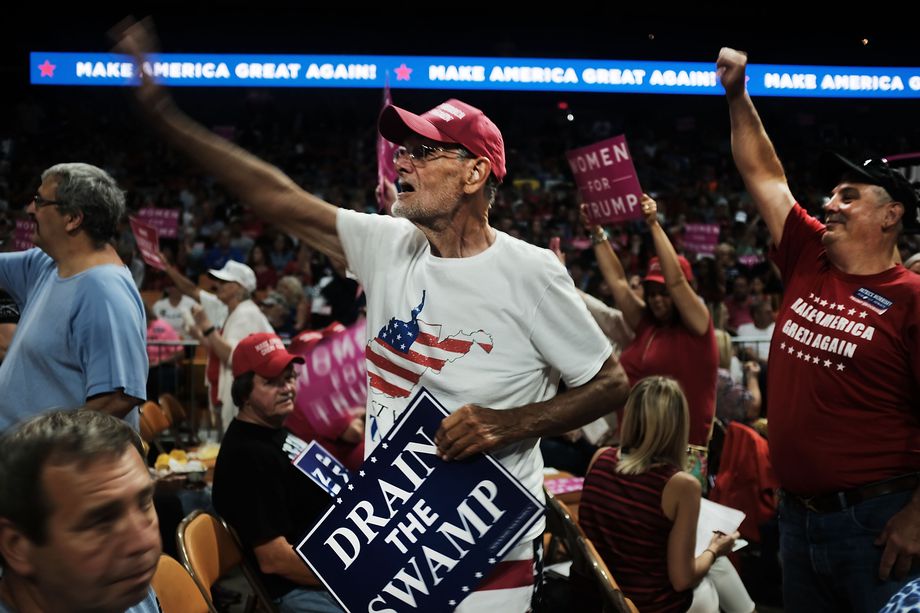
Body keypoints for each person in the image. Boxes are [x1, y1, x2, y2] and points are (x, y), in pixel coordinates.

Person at [114, 19, 628, 611]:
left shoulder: (531, 271)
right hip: (390, 538)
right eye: (402, 150)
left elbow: (610, 382)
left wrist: (510, 424)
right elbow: (278, 198)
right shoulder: (388, 244)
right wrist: (167, 119)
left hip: (487, 553)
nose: (402, 161)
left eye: (423, 151)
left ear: (475, 172)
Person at [718, 47, 920, 610]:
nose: (829, 203)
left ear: (891, 215)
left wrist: (918, 518)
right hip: (797, 520)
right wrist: (737, 95)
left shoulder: (911, 299)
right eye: (831, 193)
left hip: (877, 526)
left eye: (848, 196)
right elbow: (764, 173)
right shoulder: (810, 256)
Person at [579, 376, 754, 613]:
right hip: (648, 605)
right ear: (679, 424)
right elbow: (682, 579)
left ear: (630, 416)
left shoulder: (600, 458)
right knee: (717, 564)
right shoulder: (681, 485)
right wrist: (715, 550)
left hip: (600, 593)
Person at [0, 163, 148, 433]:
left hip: (52, 467)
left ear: (72, 218)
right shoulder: (46, 264)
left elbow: (117, 398)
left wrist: (41, 452)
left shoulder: (103, 290)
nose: (30, 209)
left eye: (39, 201)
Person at [212, 333, 341, 612]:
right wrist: (352, 578)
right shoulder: (246, 456)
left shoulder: (274, 427)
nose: (287, 388)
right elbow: (275, 559)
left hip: (333, 562)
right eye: (271, 382)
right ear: (244, 393)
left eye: (289, 377)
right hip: (302, 588)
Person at [586, 196, 718, 451]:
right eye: (652, 292)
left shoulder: (699, 327)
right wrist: (596, 231)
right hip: (632, 448)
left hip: (678, 455)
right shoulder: (646, 324)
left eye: (664, 292)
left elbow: (677, 281)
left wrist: (653, 224)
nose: (657, 299)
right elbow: (618, 282)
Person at [0, 409, 161, 612]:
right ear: (17, 545)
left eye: (144, 503)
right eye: (101, 522)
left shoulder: (128, 591)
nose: (143, 542)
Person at [191, 259, 274, 434]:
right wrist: (201, 334)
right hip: (227, 394)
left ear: (239, 287)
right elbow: (219, 349)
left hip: (239, 399)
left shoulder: (246, 314)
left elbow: (234, 357)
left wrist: (207, 327)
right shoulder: (237, 312)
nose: (217, 286)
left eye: (224, 282)